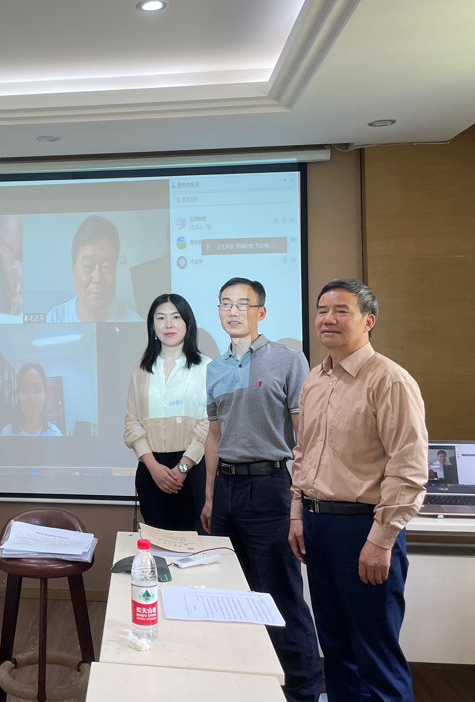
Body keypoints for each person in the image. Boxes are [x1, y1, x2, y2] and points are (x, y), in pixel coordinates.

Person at [288, 279, 428, 702]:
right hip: (317, 527)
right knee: (335, 650)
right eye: (322, 310)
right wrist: (297, 514)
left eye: (341, 311)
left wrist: (381, 541)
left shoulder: (390, 381)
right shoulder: (315, 380)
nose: (328, 319)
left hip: (364, 530)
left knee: (376, 653)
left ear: (368, 321)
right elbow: (303, 453)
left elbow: (408, 468)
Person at [200, 278, 321, 702]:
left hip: (270, 488)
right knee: (230, 595)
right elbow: (214, 436)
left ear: (261, 312)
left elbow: (305, 437)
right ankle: (246, 685)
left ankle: (303, 691)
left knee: (281, 596)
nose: (233, 311)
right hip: (226, 492)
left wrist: (298, 502)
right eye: (225, 304)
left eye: (242, 304)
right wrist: (210, 497)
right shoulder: (214, 369)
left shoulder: (288, 359)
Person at [123, 293, 209, 532]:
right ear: (152, 326)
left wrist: (183, 468)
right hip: (151, 469)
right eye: (161, 318)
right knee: (157, 542)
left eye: (176, 317)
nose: (168, 324)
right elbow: (131, 422)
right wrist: (153, 467)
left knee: (193, 541)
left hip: (192, 470)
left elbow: (210, 424)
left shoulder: (207, 367)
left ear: (188, 323)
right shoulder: (140, 370)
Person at [46, 215, 142, 323]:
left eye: (106, 267)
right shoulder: (53, 320)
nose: (98, 278)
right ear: (74, 270)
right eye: (88, 266)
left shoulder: (135, 324)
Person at [2, 363, 63, 436]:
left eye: (37, 389)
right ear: (17, 395)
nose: (31, 397)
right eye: (24, 390)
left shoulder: (55, 434)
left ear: (45, 394)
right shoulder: (6, 433)